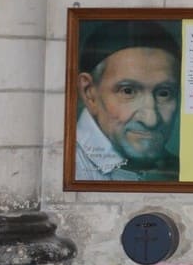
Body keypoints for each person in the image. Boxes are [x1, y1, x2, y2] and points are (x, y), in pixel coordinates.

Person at [75, 20, 180, 181]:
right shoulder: (64, 166)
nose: (151, 120)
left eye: (164, 93)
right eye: (128, 91)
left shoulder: (178, 169)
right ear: (89, 93)